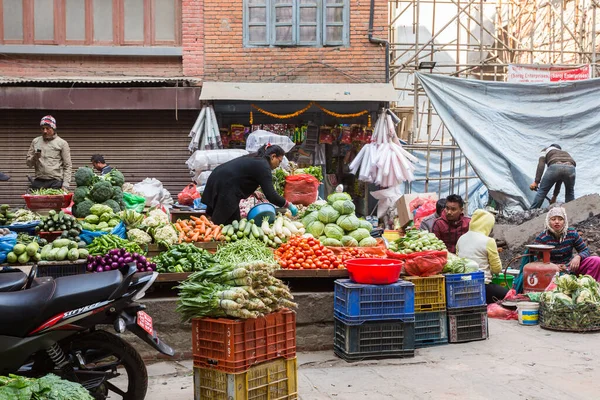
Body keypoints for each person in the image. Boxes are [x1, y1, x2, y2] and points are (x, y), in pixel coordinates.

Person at [202, 144, 298, 225]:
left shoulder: (257, 159)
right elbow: (271, 195)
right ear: (273, 156)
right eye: (279, 161)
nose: (278, 165)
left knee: (234, 221)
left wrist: (253, 191)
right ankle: (212, 242)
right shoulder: (263, 166)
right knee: (223, 222)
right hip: (224, 185)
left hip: (218, 178)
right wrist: (288, 205)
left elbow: (243, 175)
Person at [533, 207, 600, 281]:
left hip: (571, 267)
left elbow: (585, 250)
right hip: (551, 271)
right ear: (548, 221)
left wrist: (578, 257)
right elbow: (537, 260)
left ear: (564, 221)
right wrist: (553, 266)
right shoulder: (542, 238)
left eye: (560, 219)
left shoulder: (572, 233)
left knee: (596, 261)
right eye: (553, 219)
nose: (557, 222)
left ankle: (587, 285)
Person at [457, 209, 509, 304]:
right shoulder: (488, 241)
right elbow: (497, 269)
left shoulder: (461, 238)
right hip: (481, 286)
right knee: (510, 295)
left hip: (460, 285)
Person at [25, 115, 72, 191]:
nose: (45, 131)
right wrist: (35, 157)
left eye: (47, 128)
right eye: (43, 128)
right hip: (39, 181)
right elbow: (28, 163)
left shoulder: (62, 143)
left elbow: (68, 165)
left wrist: (65, 184)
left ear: (53, 128)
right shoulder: (35, 142)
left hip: (55, 182)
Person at [530, 144, 576, 209]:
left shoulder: (545, 150)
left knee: (542, 191)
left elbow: (541, 165)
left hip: (555, 166)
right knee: (570, 193)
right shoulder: (564, 153)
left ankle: (532, 212)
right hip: (571, 168)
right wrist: (554, 197)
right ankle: (571, 213)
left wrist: (536, 182)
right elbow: (559, 178)